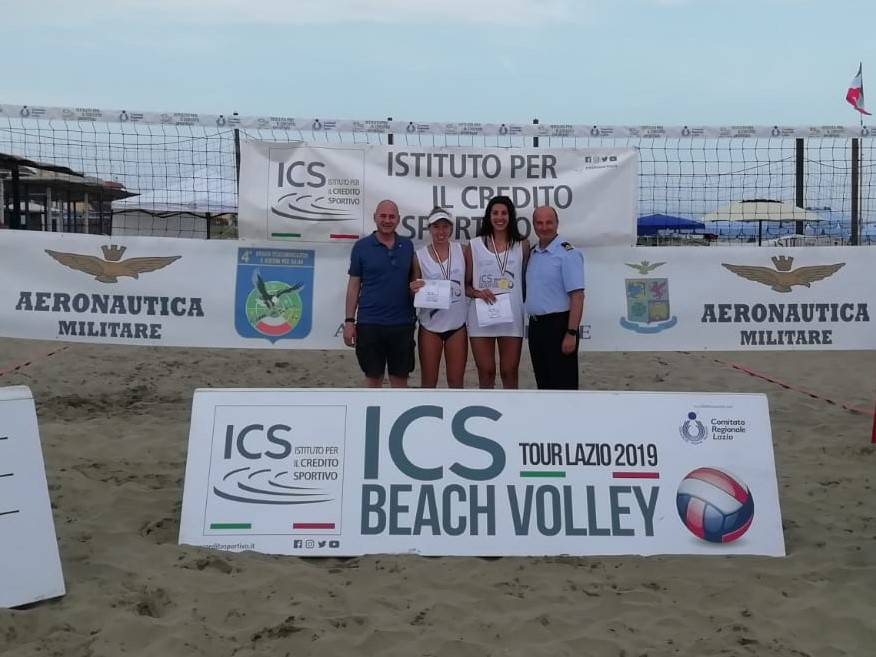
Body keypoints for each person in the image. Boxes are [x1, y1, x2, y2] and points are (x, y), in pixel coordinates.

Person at [343, 199, 415, 388]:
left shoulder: (407, 246)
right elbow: (353, 285)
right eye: (383, 216)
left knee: (400, 381)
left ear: (398, 220)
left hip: (402, 324)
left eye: (392, 217)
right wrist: (349, 321)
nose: (387, 220)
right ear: (375, 217)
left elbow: (413, 283)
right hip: (370, 324)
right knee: (373, 380)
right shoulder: (361, 247)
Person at [464, 195, 530, 389]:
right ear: (488, 216)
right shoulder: (474, 245)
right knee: (486, 371)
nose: (499, 217)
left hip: (511, 316)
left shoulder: (522, 245)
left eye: (504, 213)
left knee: (509, 372)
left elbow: (528, 280)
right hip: (482, 315)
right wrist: (478, 293)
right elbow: (465, 286)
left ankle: (511, 414)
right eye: (495, 213)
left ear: (511, 216)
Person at [525, 206, 585, 390]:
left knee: (563, 386)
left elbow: (577, 296)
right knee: (544, 384)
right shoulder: (533, 253)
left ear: (557, 223)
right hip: (536, 328)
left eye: (549, 222)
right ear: (533, 225)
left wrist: (571, 333)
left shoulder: (567, 253)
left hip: (559, 327)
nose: (544, 227)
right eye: (539, 223)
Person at [410, 208, 469, 388]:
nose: (441, 231)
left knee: (456, 382)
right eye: (436, 227)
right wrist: (413, 288)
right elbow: (414, 287)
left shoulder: (464, 251)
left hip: (457, 325)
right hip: (430, 326)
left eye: (445, 226)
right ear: (429, 229)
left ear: (451, 228)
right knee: (428, 382)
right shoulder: (418, 256)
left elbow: (470, 283)